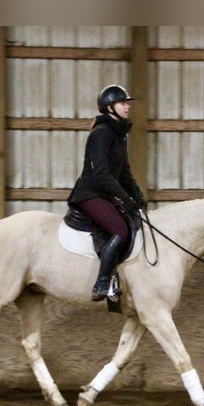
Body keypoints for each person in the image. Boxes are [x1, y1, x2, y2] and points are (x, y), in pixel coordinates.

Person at [67, 84, 147, 301]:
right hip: (90, 194)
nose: (128, 106)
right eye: (123, 103)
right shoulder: (101, 134)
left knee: (132, 222)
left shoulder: (118, 135)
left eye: (127, 103)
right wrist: (124, 198)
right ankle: (102, 283)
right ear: (110, 107)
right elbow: (101, 174)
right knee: (120, 230)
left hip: (104, 193)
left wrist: (137, 196)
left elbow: (124, 173)